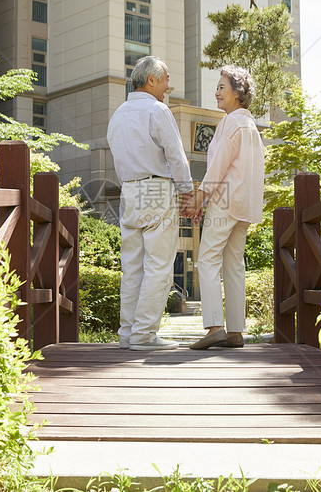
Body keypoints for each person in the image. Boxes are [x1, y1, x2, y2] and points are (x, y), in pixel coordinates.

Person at [107, 55, 194, 351]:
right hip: (157, 188)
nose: (169, 86)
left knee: (132, 266)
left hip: (129, 190)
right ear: (152, 80)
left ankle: (128, 333)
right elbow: (176, 155)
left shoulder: (118, 113)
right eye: (166, 79)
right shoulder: (157, 110)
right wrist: (188, 192)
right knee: (158, 265)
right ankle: (144, 335)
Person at [187, 65, 265, 350]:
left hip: (225, 201)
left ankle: (215, 327)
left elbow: (219, 164)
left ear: (238, 93)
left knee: (207, 259)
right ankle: (235, 331)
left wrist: (200, 197)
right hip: (245, 205)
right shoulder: (251, 126)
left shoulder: (231, 123)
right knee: (234, 264)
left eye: (222, 87)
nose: (216, 92)